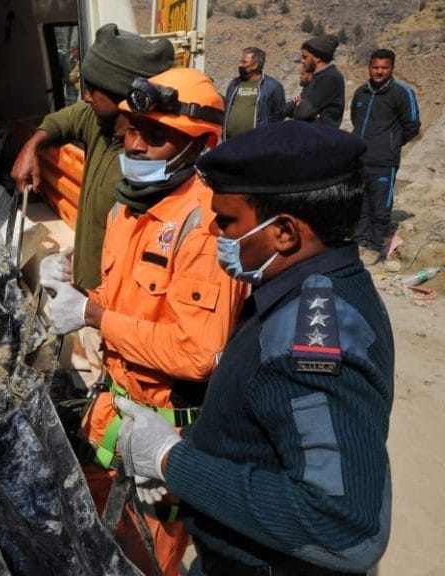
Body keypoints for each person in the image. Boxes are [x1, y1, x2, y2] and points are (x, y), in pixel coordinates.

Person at [116, 120, 393, 576]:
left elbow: (343, 526)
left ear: (284, 231)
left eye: (227, 220)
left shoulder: (311, 342)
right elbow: (269, 432)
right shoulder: (312, 287)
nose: (214, 231)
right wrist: (187, 458)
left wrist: (172, 461)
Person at [39, 68, 249, 575]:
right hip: (113, 410)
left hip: (165, 433)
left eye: (155, 137)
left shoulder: (205, 227)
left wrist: (90, 314)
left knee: (148, 559)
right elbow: (121, 302)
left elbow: (197, 352)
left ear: (199, 147)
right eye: (132, 130)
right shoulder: (128, 210)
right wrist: (76, 292)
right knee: (95, 536)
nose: (134, 146)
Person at [12, 23, 173, 291]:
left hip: (111, 302)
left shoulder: (149, 162)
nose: (85, 97)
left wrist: (91, 309)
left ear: (122, 95)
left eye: (93, 89)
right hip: (87, 289)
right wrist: (32, 147)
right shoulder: (100, 123)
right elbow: (63, 120)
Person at [350, 48, 421, 268]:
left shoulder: (401, 93)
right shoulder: (361, 93)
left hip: (384, 162)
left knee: (381, 206)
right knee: (361, 204)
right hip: (359, 159)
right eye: (375, 67)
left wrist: (389, 145)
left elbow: (412, 126)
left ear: (392, 68)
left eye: (384, 67)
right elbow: (355, 119)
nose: (379, 72)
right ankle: (359, 242)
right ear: (369, 67)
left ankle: (374, 247)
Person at [222, 46, 286, 139]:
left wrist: (266, 133)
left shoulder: (273, 86)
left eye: (244, 62)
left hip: (257, 142)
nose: (240, 65)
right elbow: (227, 107)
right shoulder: (234, 83)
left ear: (255, 65)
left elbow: (279, 115)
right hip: (230, 142)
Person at [285, 34, 345, 127]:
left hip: (322, 137)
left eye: (305, 57)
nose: (302, 61)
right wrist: (301, 105)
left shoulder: (330, 78)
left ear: (317, 57)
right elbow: (287, 109)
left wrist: (301, 105)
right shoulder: (316, 77)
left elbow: (302, 112)